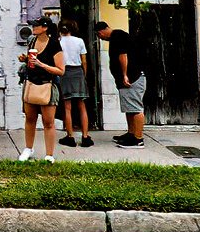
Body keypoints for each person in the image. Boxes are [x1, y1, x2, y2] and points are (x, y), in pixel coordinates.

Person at [18, 17, 65, 163]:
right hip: (31, 83)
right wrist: (25, 59)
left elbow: (60, 70)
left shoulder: (54, 44)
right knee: (30, 118)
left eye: (36, 25)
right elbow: (31, 62)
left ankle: (49, 154)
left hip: (47, 85)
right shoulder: (32, 41)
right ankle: (28, 148)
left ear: (45, 28)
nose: (33, 28)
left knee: (48, 122)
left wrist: (41, 64)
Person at [95, 21, 146, 149]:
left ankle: (138, 139)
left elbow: (123, 55)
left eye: (99, 35)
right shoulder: (116, 37)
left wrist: (124, 74)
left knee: (135, 108)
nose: (101, 37)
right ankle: (131, 133)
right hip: (126, 79)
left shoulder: (118, 37)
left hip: (132, 78)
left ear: (102, 31)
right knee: (129, 108)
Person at [57, 19, 91, 147]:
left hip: (64, 72)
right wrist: (84, 74)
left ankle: (70, 136)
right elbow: (84, 61)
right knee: (82, 105)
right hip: (78, 71)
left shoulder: (58, 42)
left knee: (67, 107)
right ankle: (85, 136)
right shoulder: (79, 41)